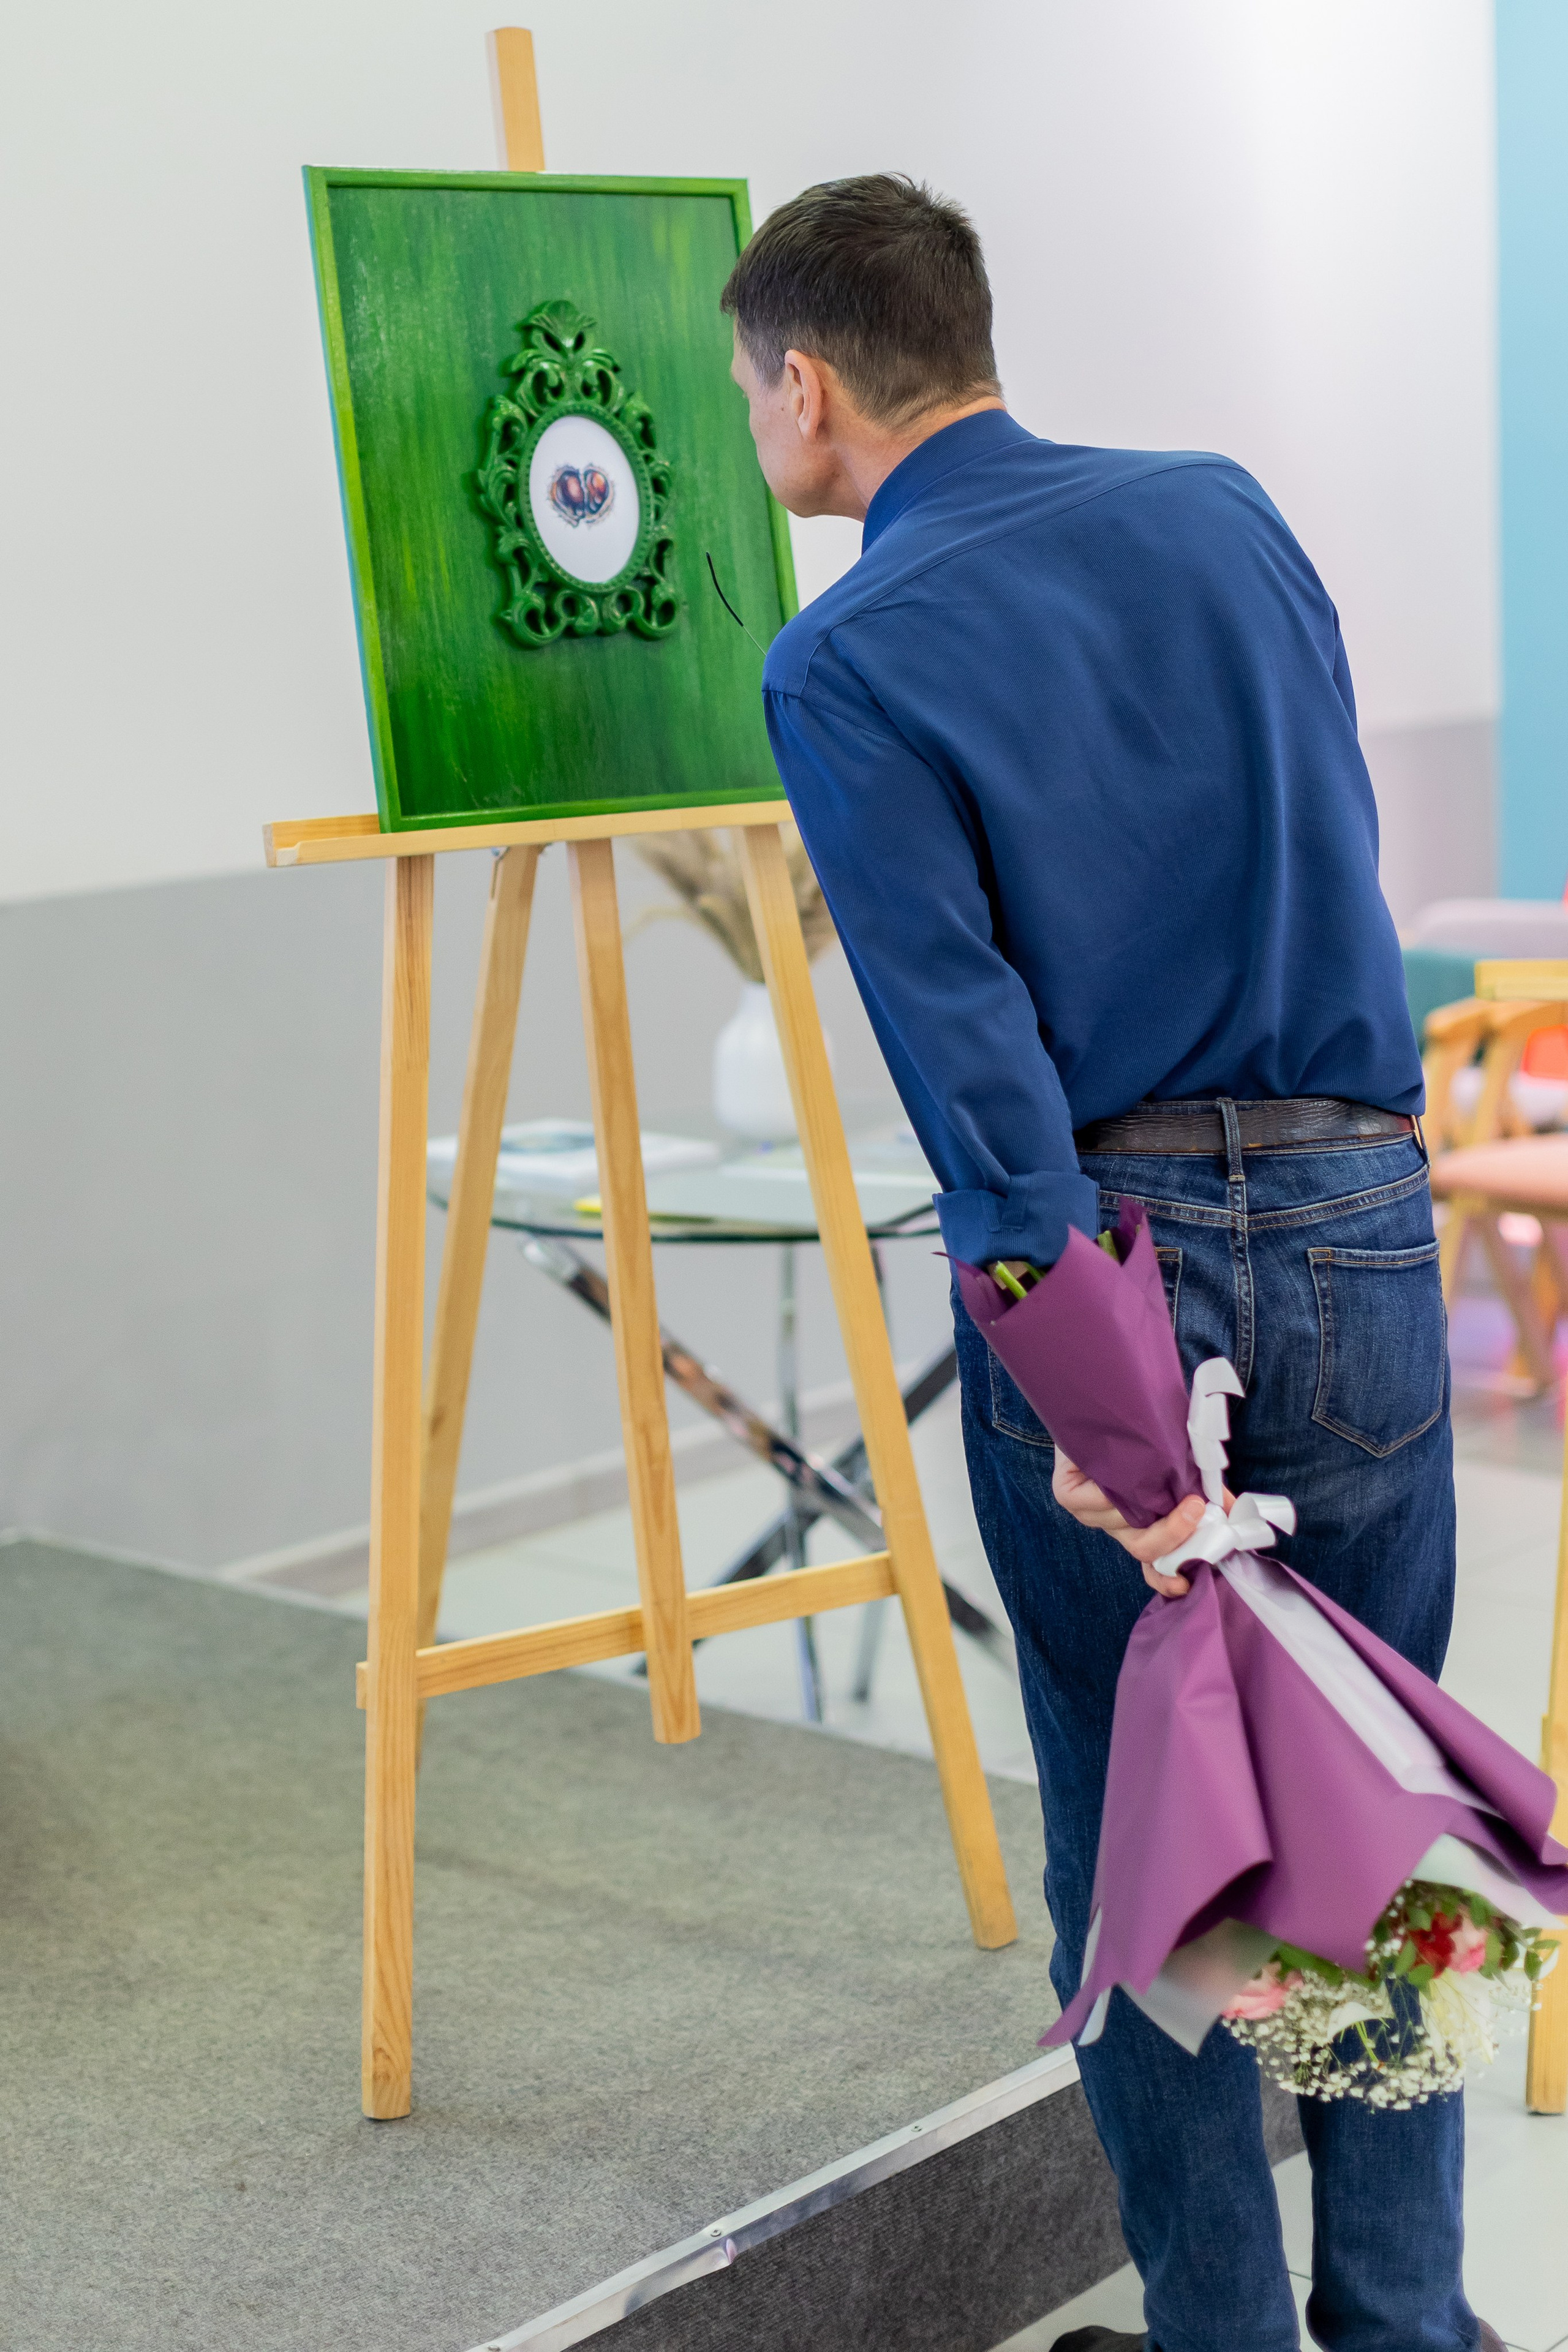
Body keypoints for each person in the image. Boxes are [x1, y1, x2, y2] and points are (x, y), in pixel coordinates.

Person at [722, 175, 1494, 2352]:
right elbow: (1328, 840)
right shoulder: (1227, 514)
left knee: (1145, 1847)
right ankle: (1412, 2324)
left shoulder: (847, 654)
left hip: (1125, 1271)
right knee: (1375, 1800)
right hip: (1355, 1222)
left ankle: (1225, 2338)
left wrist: (1110, 1414)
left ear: (804, 388)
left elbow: (983, 1091)